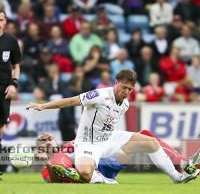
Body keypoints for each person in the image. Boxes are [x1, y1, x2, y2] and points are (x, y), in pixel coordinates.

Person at [26, 68, 200, 184]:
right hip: (88, 143)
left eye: (130, 89)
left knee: (151, 142)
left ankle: (177, 177)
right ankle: (105, 180)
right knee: (85, 174)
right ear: (116, 82)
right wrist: (43, 106)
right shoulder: (100, 95)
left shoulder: (125, 104)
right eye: (124, 87)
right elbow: (72, 101)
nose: (126, 92)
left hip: (110, 138)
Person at [34, 131, 200, 183]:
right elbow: (54, 182)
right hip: (92, 172)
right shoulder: (50, 163)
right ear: (39, 148)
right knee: (63, 160)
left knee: (144, 137)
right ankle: (85, 176)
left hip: (107, 162)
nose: (48, 142)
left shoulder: (70, 144)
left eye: (50, 138)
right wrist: (48, 162)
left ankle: (182, 163)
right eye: (43, 141)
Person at [0, 10, 21, 178]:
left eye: (1, 20)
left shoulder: (11, 41)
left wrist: (14, 84)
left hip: (3, 90)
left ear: (5, 21)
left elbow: (17, 66)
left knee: (0, 129)